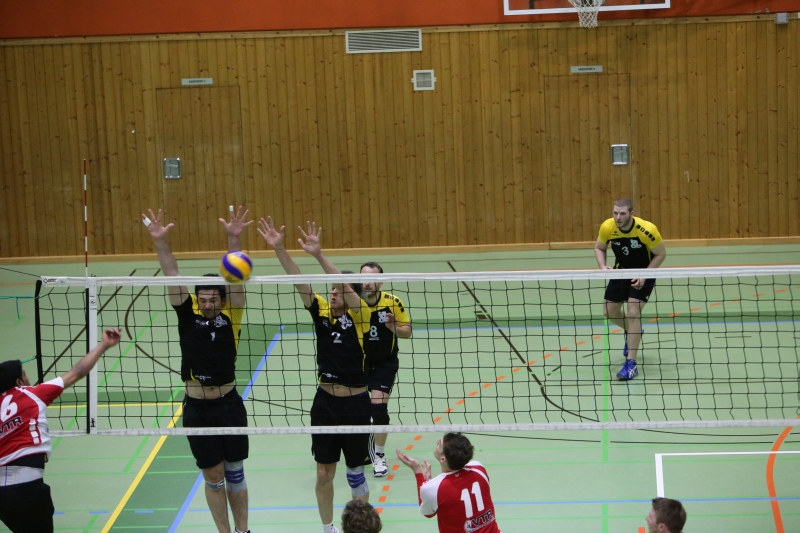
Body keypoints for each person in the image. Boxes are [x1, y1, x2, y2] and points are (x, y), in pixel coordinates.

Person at [142, 207, 252, 533]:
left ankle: (243, 530)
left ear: (221, 300)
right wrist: (161, 242)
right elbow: (172, 272)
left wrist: (234, 239)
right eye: (202, 299)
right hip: (197, 408)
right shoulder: (187, 312)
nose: (206, 304)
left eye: (211, 300)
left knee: (235, 472)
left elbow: (236, 277)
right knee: (213, 477)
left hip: (229, 404)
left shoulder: (233, 312)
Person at [259, 217, 372, 533]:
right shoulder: (321, 311)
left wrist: (319, 255)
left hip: (356, 404)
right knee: (324, 473)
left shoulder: (362, 316)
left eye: (338, 290)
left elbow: (347, 289)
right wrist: (279, 249)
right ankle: (328, 528)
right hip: (324, 403)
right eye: (331, 290)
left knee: (355, 473)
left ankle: (360, 528)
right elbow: (298, 280)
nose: (333, 294)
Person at [0, 328, 122, 533]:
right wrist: (103, 345)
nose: (28, 378)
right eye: (24, 374)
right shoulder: (33, 393)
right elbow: (78, 371)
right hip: (27, 487)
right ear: (19, 382)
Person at [594, 198, 667, 380]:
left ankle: (631, 364)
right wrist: (603, 266)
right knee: (609, 312)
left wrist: (645, 275)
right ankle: (634, 330)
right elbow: (599, 248)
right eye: (615, 213)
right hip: (621, 272)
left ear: (631, 214)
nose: (618, 217)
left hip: (644, 272)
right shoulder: (608, 227)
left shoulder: (647, 230)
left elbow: (661, 254)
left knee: (633, 311)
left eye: (622, 213)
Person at [358, 261, 412, 477]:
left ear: (380, 282)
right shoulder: (352, 302)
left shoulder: (392, 302)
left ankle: (379, 455)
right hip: (357, 362)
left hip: (384, 362)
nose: (366, 283)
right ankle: (362, 448)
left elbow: (407, 331)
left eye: (371, 279)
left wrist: (394, 328)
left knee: (378, 409)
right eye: (363, 278)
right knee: (357, 411)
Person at [396, 432, 502, 533]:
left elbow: (428, 514)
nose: (437, 441)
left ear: (443, 459)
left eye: (439, 444)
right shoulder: (478, 468)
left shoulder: (433, 488)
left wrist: (417, 472)